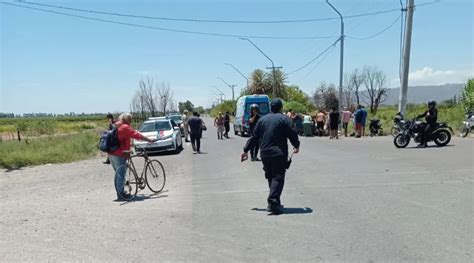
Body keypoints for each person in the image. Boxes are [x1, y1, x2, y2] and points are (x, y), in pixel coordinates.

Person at [241, 99, 300, 215]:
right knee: (278, 177)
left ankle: (275, 202)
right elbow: (292, 133)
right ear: (281, 108)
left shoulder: (262, 120)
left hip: (265, 153)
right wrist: (296, 145)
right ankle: (273, 202)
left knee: (271, 177)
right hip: (278, 153)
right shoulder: (284, 119)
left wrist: (245, 150)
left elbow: (254, 136)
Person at [109, 113, 156, 201]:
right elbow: (137, 135)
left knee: (118, 174)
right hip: (119, 153)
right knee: (121, 175)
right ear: (128, 120)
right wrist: (149, 140)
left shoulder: (115, 125)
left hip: (111, 153)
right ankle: (121, 195)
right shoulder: (125, 127)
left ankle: (121, 192)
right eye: (130, 120)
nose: (131, 122)